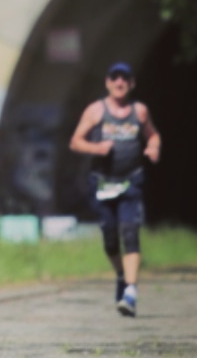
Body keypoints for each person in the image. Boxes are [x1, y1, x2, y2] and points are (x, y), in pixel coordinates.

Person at [69, 61, 161, 317]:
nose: (119, 82)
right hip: (102, 183)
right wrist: (96, 148)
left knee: (130, 232)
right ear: (107, 82)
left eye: (125, 78)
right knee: (110, 238)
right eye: (115, 77)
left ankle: (130, 291)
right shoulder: (96, 111)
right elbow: (75, 142)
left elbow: (153, 135)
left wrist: (154, 147)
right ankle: (121, 274)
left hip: (131, 181)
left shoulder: (139, 111)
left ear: (132, 84)